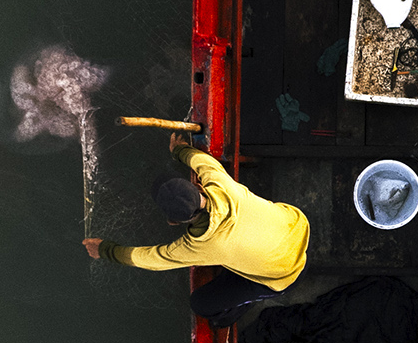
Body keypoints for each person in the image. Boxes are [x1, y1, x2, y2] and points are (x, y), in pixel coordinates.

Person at [84, 136, 309, 324]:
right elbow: (202, 161)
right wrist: (179, 150)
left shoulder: (198, 246)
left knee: (201, 304)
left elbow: (151, 259)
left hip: (286, 275)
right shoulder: (220, 183)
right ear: (199, 186)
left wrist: (105, 250)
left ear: (173, 222)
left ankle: (238, 309)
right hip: (299, 228)